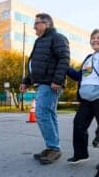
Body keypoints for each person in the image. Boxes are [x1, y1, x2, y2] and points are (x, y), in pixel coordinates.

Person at [20, 13, 70, 165]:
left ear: (46, 24)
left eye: (37, 23)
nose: (34, 26)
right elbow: (35, 64)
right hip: (42, 82)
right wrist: (26, 81)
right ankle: (52, 147)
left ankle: (54, 148)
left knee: (41, 113)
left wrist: (58, 80)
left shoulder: (57, 38)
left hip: (50, 83)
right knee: (49, 113)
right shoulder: (40, 41)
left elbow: (64, 58)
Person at [66, 29, 99, 165]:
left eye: (98, 38)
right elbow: (80, 76)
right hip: (86, 98)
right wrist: (65, 68)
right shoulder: (88, 58)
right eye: (93, 38)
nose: (95, 40)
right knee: (78, 124)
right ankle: (81, 155)